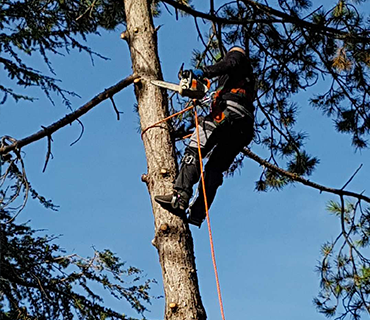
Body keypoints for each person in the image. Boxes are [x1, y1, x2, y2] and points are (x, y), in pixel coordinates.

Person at [155, 46, 256, 227]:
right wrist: (183, 129)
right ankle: (198, 212)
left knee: (195, 149)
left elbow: (228, 64)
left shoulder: (237, 60)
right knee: (214, 169)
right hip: (243, 127)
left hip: (228, 114)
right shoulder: (240, 82)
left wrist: (202, 72)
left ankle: (180, 196)